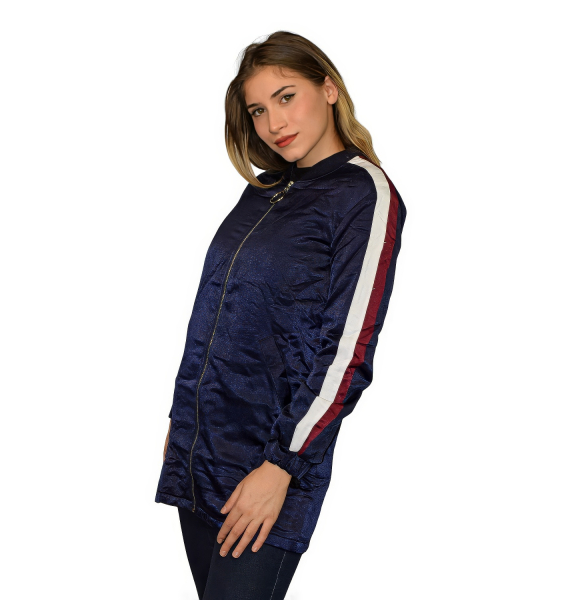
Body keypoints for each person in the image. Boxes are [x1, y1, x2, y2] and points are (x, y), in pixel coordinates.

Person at [155, 30, 407, 599]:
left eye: (287, 97)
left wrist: (282, 466)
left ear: (329, 88)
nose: (274, 123)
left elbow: (349, 351)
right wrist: (183, 414)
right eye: (258, 110)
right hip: (201, 447)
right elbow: (219, 307)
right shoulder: (266, 188)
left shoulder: (363, 193)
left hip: (271, 462)